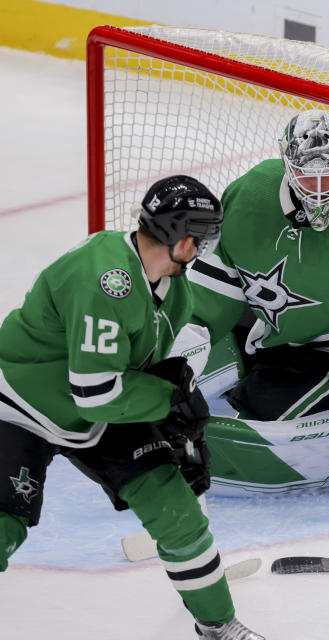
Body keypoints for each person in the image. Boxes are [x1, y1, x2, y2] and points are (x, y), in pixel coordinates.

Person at [0, 175, 265, 638]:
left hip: (105, 408)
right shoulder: (107, 280)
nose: (202, 249)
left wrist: (180, 430)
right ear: (181, 237)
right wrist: (169, 402)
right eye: (200, 238)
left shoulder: (173, 287)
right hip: (23, 403)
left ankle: (219, 626)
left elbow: (138, 373)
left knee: (175, 508)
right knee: (5, 521)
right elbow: (97, 391)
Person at [185, 109, 329, 496]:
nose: (320, 187)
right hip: (264, 329)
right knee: (165, 364)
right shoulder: (250, 193)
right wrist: (184, 342)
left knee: (265, 412)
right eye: (308, 174)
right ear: (287, 164)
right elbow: (220, 282)